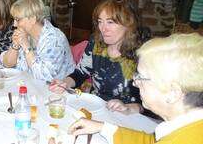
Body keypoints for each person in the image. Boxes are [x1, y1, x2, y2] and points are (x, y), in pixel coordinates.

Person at [66, 33, 203, 144]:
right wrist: (102, 127)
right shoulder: (186, 128)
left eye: (141, 77)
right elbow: (152, 141)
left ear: (173, 93)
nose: (135, 83)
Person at [49, 0, 147, 114]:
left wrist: (129, 108)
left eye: (110, 22)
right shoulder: (96, 43)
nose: (103, 29)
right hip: (95, 109)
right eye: (100, 21)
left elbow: (153, 104)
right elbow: (80, 73)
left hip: (128, 118)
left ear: (128, 24)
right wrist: (65, 83)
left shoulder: (143, 53)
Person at [1, 0, 76, 81]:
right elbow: (7, 64)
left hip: (54, 90)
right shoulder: (26, 34)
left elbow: (44, 76)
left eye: (18, 19)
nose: (14, 24)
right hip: (28, 85)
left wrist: (26, 47)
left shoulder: (55, 39)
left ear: (32, 19)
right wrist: (15, 45)